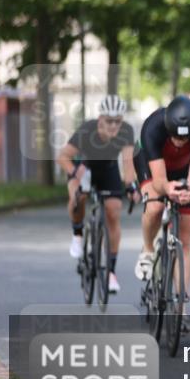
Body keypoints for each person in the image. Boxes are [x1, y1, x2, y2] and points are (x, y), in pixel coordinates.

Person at [132, 96, 190, 332]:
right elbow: (159, 181)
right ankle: (148, 249)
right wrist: (167, 189)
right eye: (175, 137)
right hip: (152, 165)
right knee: (155, 206)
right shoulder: (153, 127)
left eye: (185, 138)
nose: (180, 142)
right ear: (168, 128)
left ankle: (181, 307)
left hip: (183, 168)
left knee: (186, 237)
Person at [57, 95, 140, 294]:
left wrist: (131, 186)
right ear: (100, 119)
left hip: (107, 170)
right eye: (109, 121)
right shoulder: (87, 130)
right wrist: (73, 172)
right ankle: (77, 234)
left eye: (117, 121)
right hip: (82, 168)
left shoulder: (126, 131)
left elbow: (128, 163)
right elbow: (63, 156)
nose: (113, 125)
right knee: (79, 197)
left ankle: (111, 272)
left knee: (114, 210)